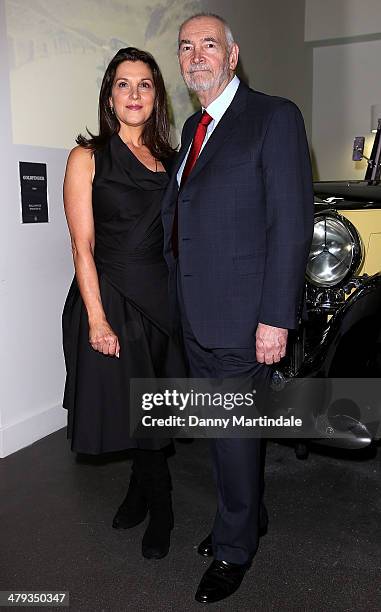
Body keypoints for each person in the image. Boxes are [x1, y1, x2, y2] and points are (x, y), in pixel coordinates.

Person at [161, 13, 314, 603]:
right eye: (185, 47)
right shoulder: (194, 130)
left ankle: (234, 549)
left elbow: (291, 226)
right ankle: (246, 517)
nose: (195, 55)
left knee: (232, 434)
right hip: (198, 315)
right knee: (228, 435)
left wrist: (276, 317)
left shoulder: (273, 118)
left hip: (247, 317)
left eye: (208, 45)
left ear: (233, 54)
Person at [62, 47, 185, 560]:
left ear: (157, 97)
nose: (134, 94)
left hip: (163, 299)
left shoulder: (173, 161)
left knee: (152, 405)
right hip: (110, 298)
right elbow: (80, 245)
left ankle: (138, 489)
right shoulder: (87, 157)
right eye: (123, 84)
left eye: (145, 85)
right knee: (141, 412)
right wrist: (96, 318)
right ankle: (163, 506)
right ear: (109, 96)